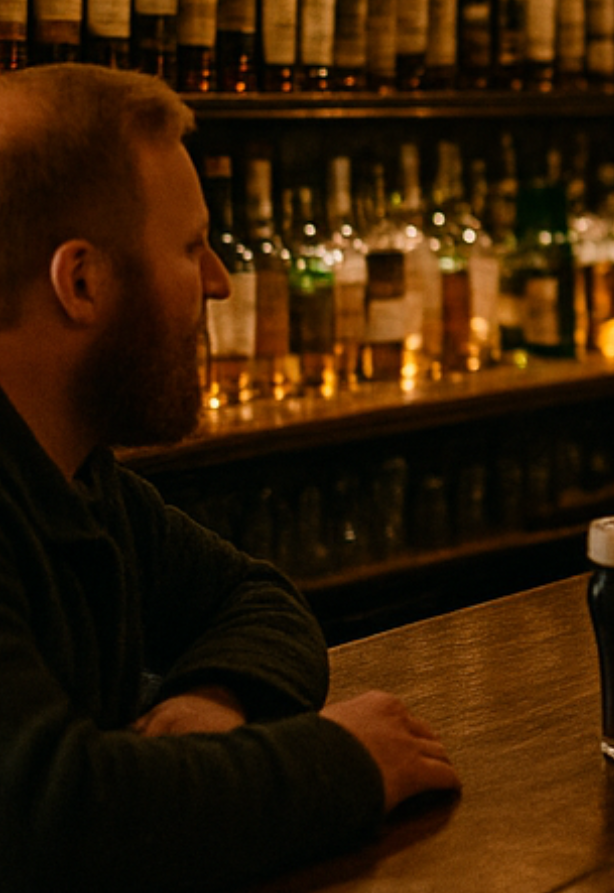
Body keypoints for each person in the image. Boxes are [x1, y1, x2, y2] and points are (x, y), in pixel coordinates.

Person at [0, 65, 460, 892]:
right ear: (82, 282)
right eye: (190, 248)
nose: (218, 281)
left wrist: (214, 700)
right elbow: (51, 815)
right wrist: (349, 760)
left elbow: (257, 598)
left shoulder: (77, 477)